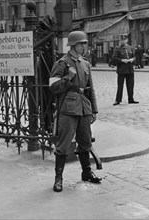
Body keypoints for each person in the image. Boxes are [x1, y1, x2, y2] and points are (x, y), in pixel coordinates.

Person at [49, 31, 101, 192]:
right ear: (73, 45)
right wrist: (67, 78)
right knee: (63, 145)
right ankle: (58, 178)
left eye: (85, 43)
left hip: (84, 107)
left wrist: (94, 109)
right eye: (81, 44)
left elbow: (90, 88)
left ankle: (86, 172)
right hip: (68, 108)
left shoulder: (85, 63)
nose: (84, 46)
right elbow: (53, 87)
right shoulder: (62, 63)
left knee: (85, 142)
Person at [112, 34, 139, 105]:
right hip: (121, 69)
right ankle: (118, 100)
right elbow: (114, 58)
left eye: (124, 40)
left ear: (127, 40)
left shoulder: (130, 48)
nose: (123, 41)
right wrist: (122, 60)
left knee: (131, 85)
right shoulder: (117, 48)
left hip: (130, 69)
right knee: (120, 85)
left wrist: (133, 59)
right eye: (122, 40)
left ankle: (131, 99)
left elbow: (135, 56)